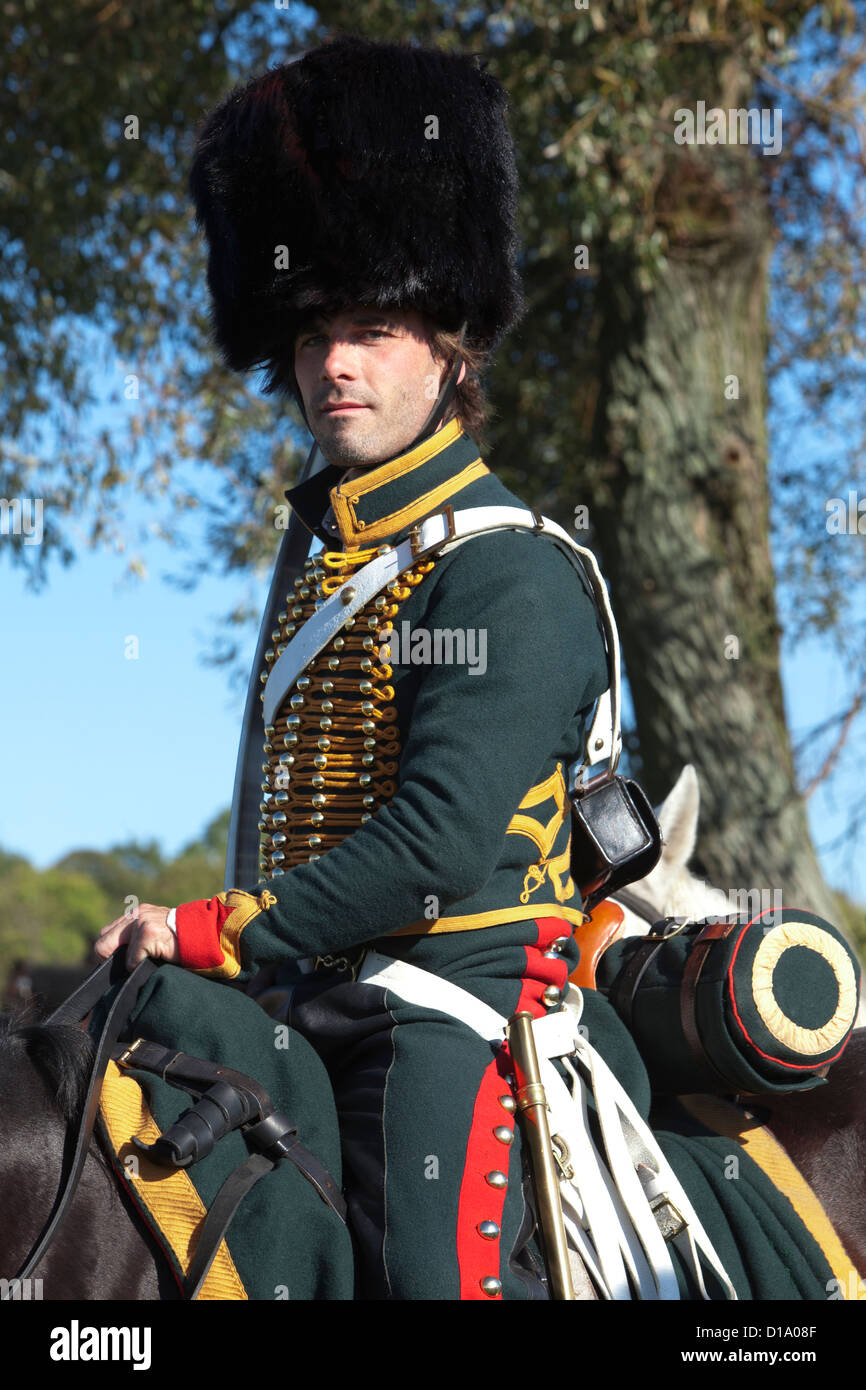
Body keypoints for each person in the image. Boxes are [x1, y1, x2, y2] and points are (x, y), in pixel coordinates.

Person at [96, 35, 853, 1302]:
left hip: (451, 1012)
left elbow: (439, 843)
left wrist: (202, 928)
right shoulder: (330, 562)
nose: (333, 361)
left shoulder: (508, 570)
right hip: (307, 993)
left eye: (374, 329)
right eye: (314, 331)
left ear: (451, 352)